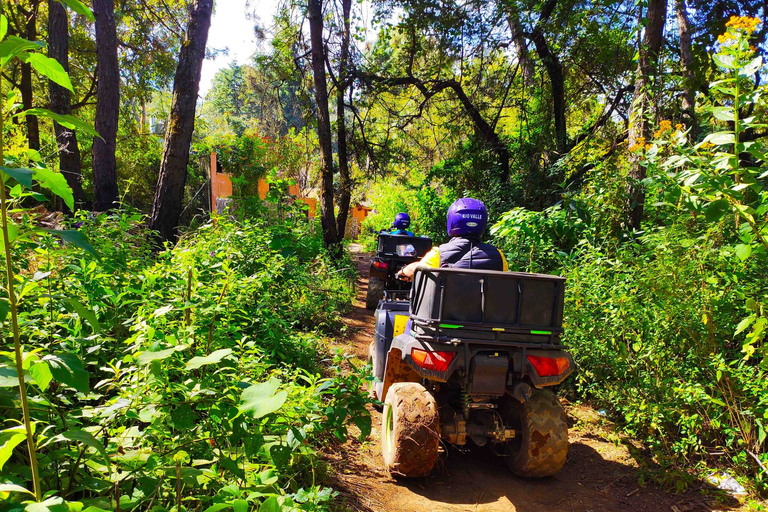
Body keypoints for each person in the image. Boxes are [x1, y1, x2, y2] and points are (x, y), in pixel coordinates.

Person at [398, 198, 508, 280]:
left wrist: (403, 271)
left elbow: (415, 270)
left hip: (446, 311)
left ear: (451, 221)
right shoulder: (499, 256)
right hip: (486, 311)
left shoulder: (439, 254)